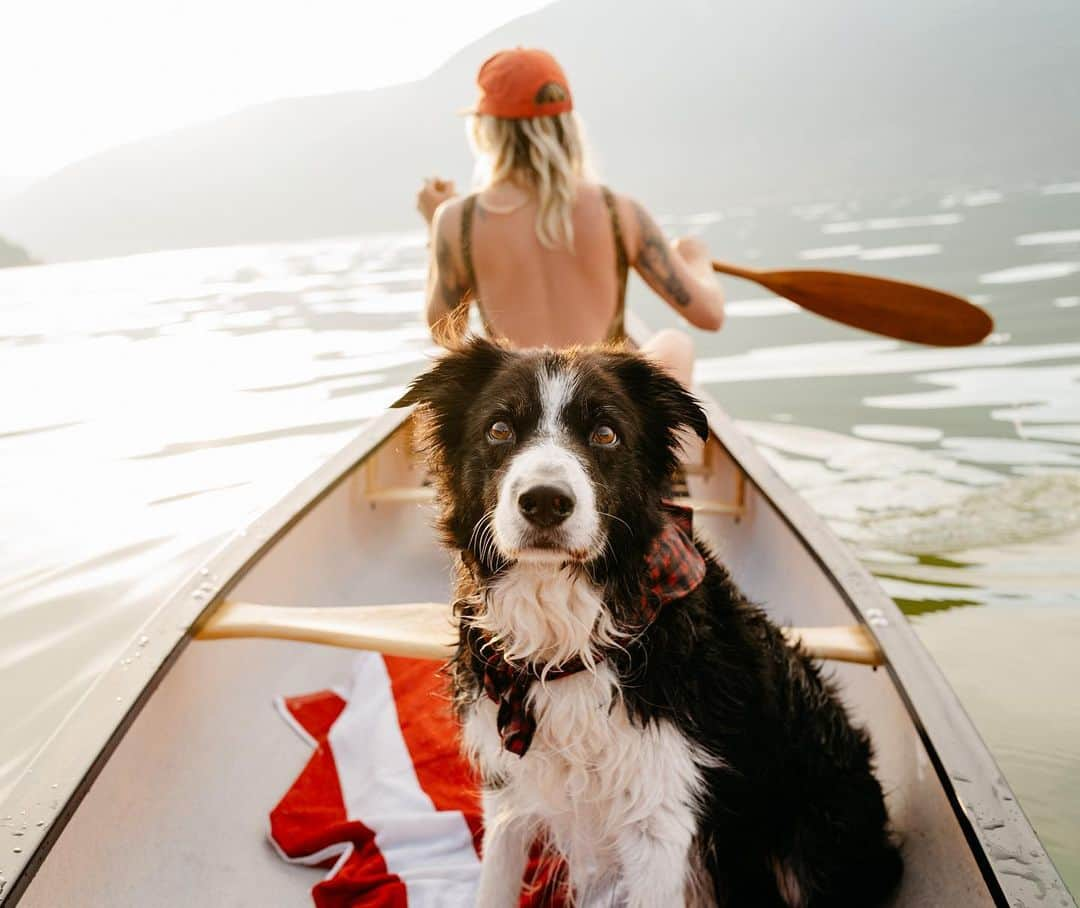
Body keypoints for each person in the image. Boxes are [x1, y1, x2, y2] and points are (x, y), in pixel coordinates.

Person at [416, 47, 723, 387]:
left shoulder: (457, 221)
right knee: (674, 343)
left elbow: (447, 336)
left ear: (486, 130)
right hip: (600, 407)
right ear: (568, 125)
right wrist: (696, 259)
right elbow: (709, 315)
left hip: (519, 405)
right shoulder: (620, 212)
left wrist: (435, 228)